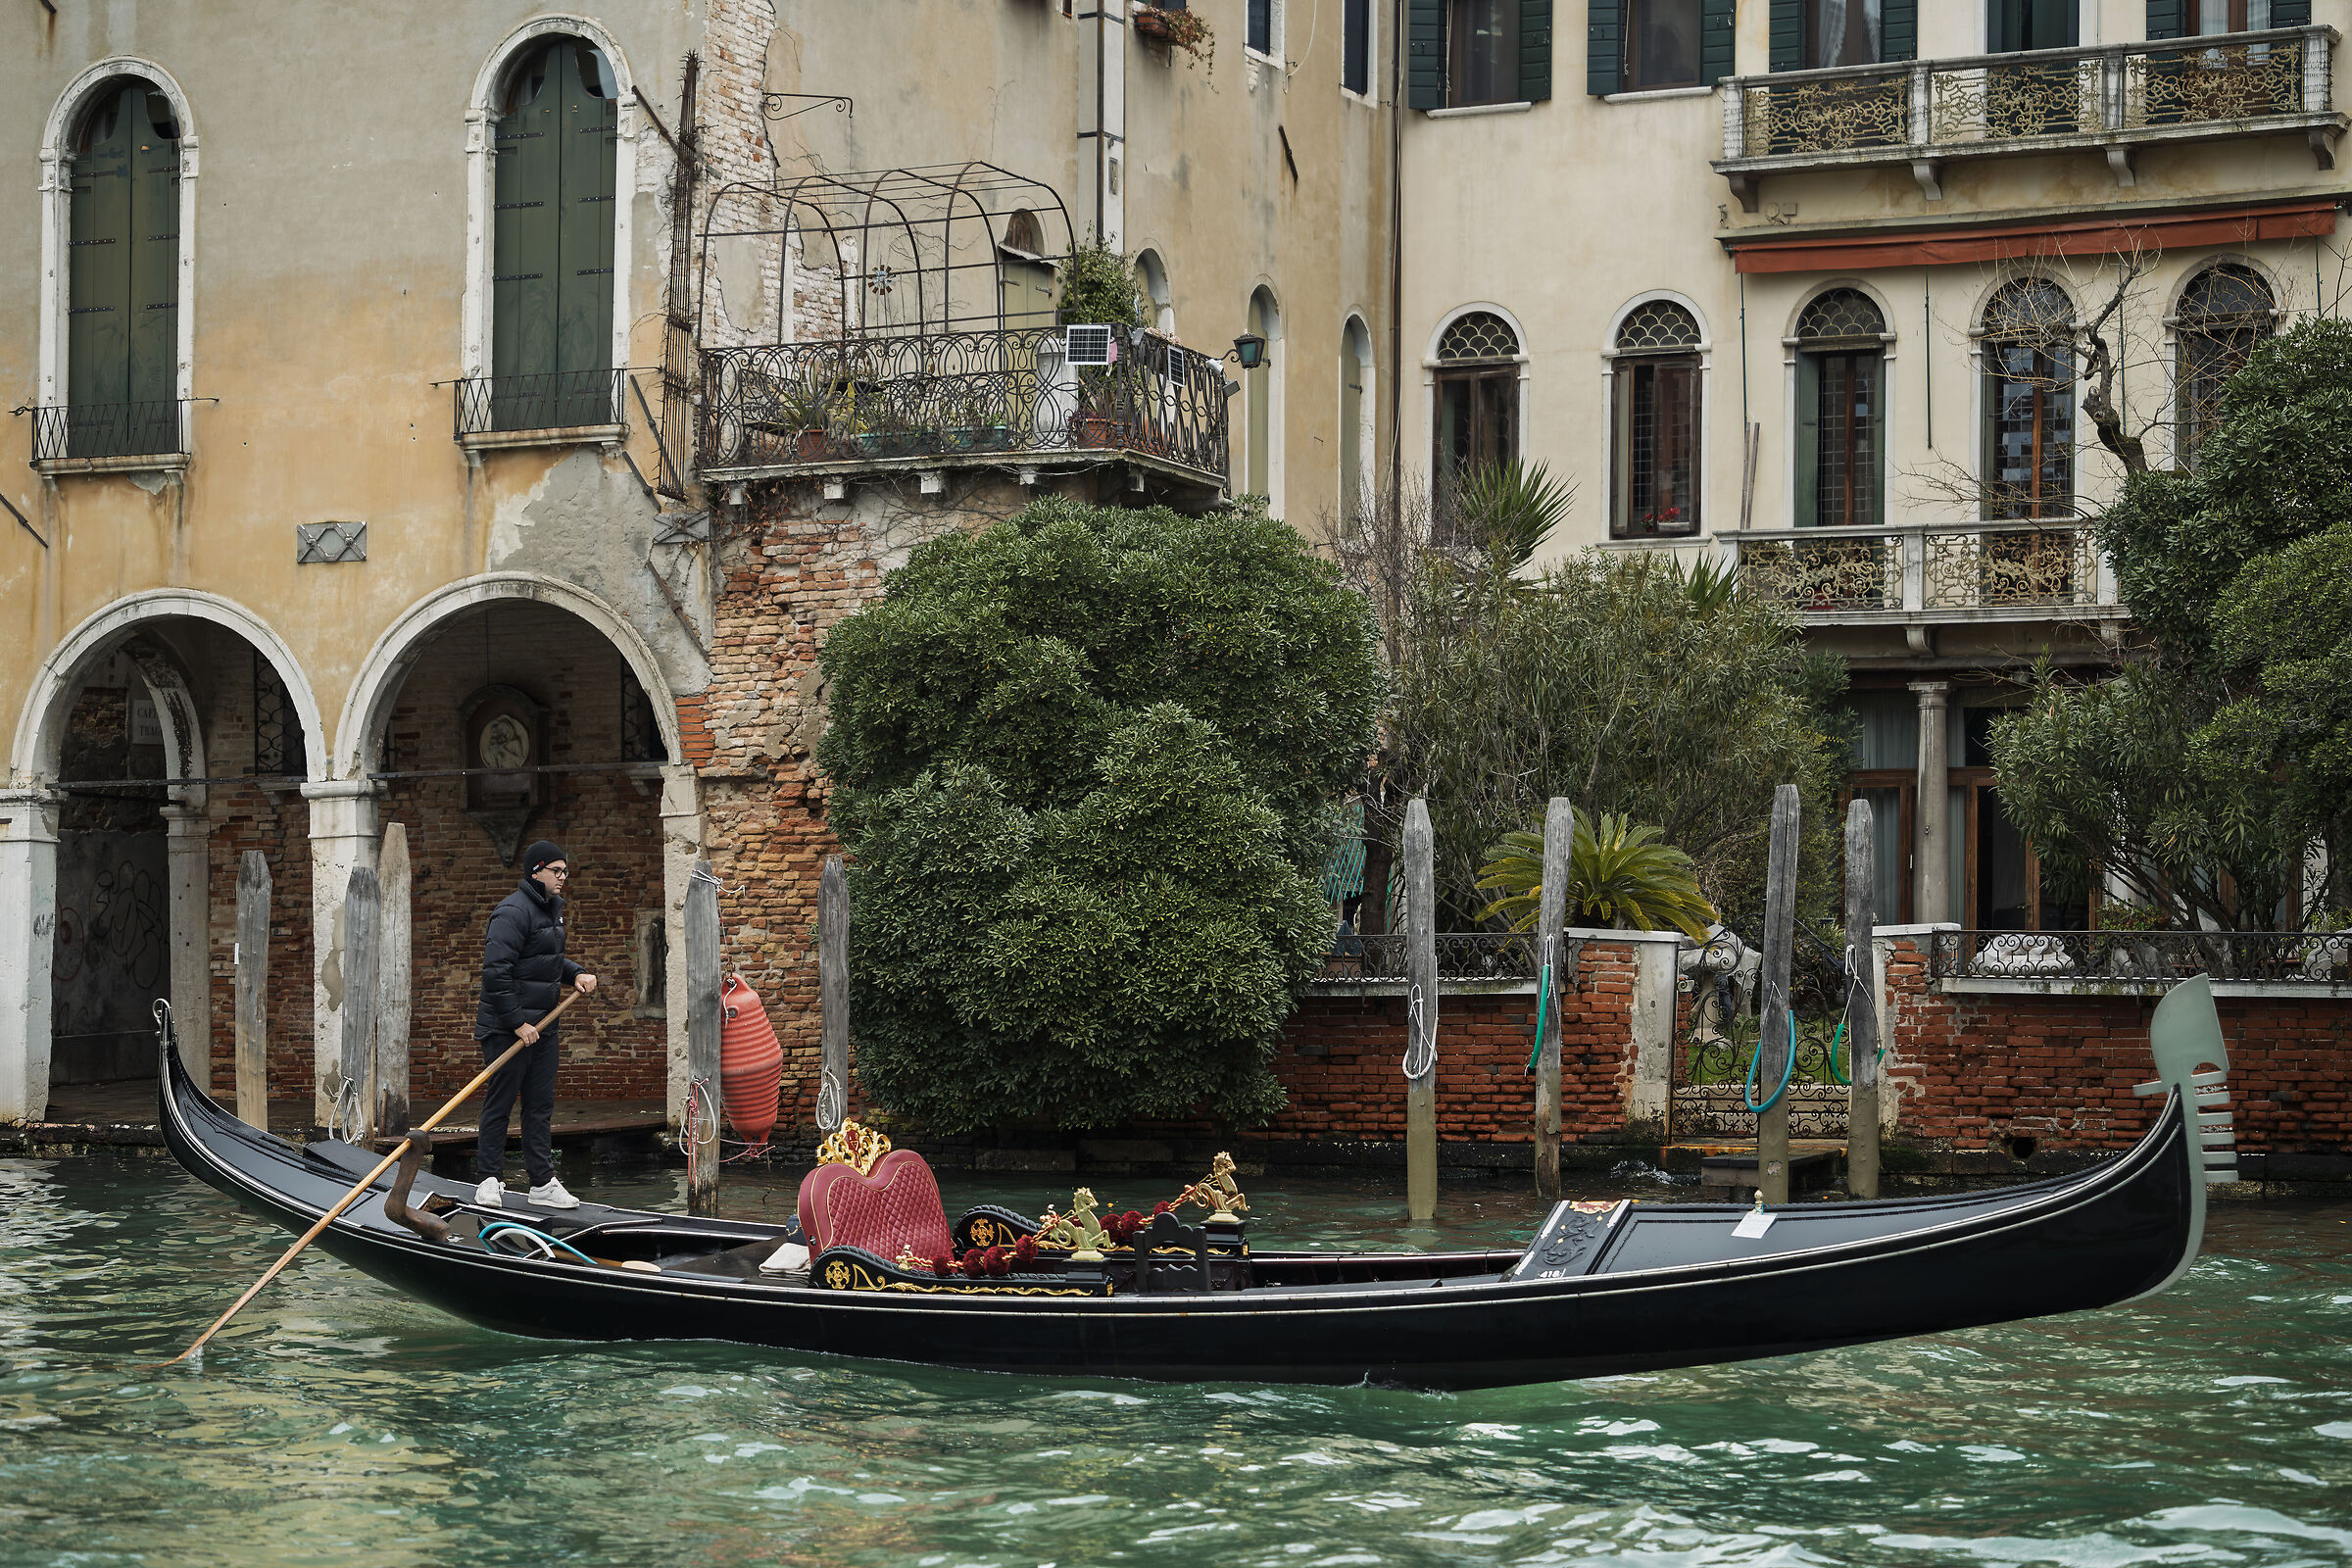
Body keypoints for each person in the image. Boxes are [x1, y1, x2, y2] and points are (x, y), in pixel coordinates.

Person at [474, 840, 597, 1209]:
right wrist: (517, 1023)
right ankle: (488, 1179)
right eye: (556, 871)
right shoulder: (511, 912)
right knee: (499, 1104)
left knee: (540, 1105)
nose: (563, 877)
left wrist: (575, 972)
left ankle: (541, 1183)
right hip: (506, 1029)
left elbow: (544, 961)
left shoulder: (551, 910)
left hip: (543, 1027)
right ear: (535, 871)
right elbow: (496, 973)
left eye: (565, 871)